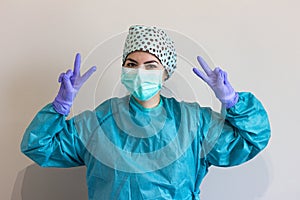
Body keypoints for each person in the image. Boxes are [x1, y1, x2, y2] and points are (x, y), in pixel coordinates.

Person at [21, 25, 271, 200]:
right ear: (123, 69)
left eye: (150, 65)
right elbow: (38, 147)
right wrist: (59, 107)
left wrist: (232, 101)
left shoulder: (193, 123)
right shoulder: (99, 122)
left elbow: (252, 140)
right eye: (132, 64)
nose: (140, 72)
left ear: (166, 73)